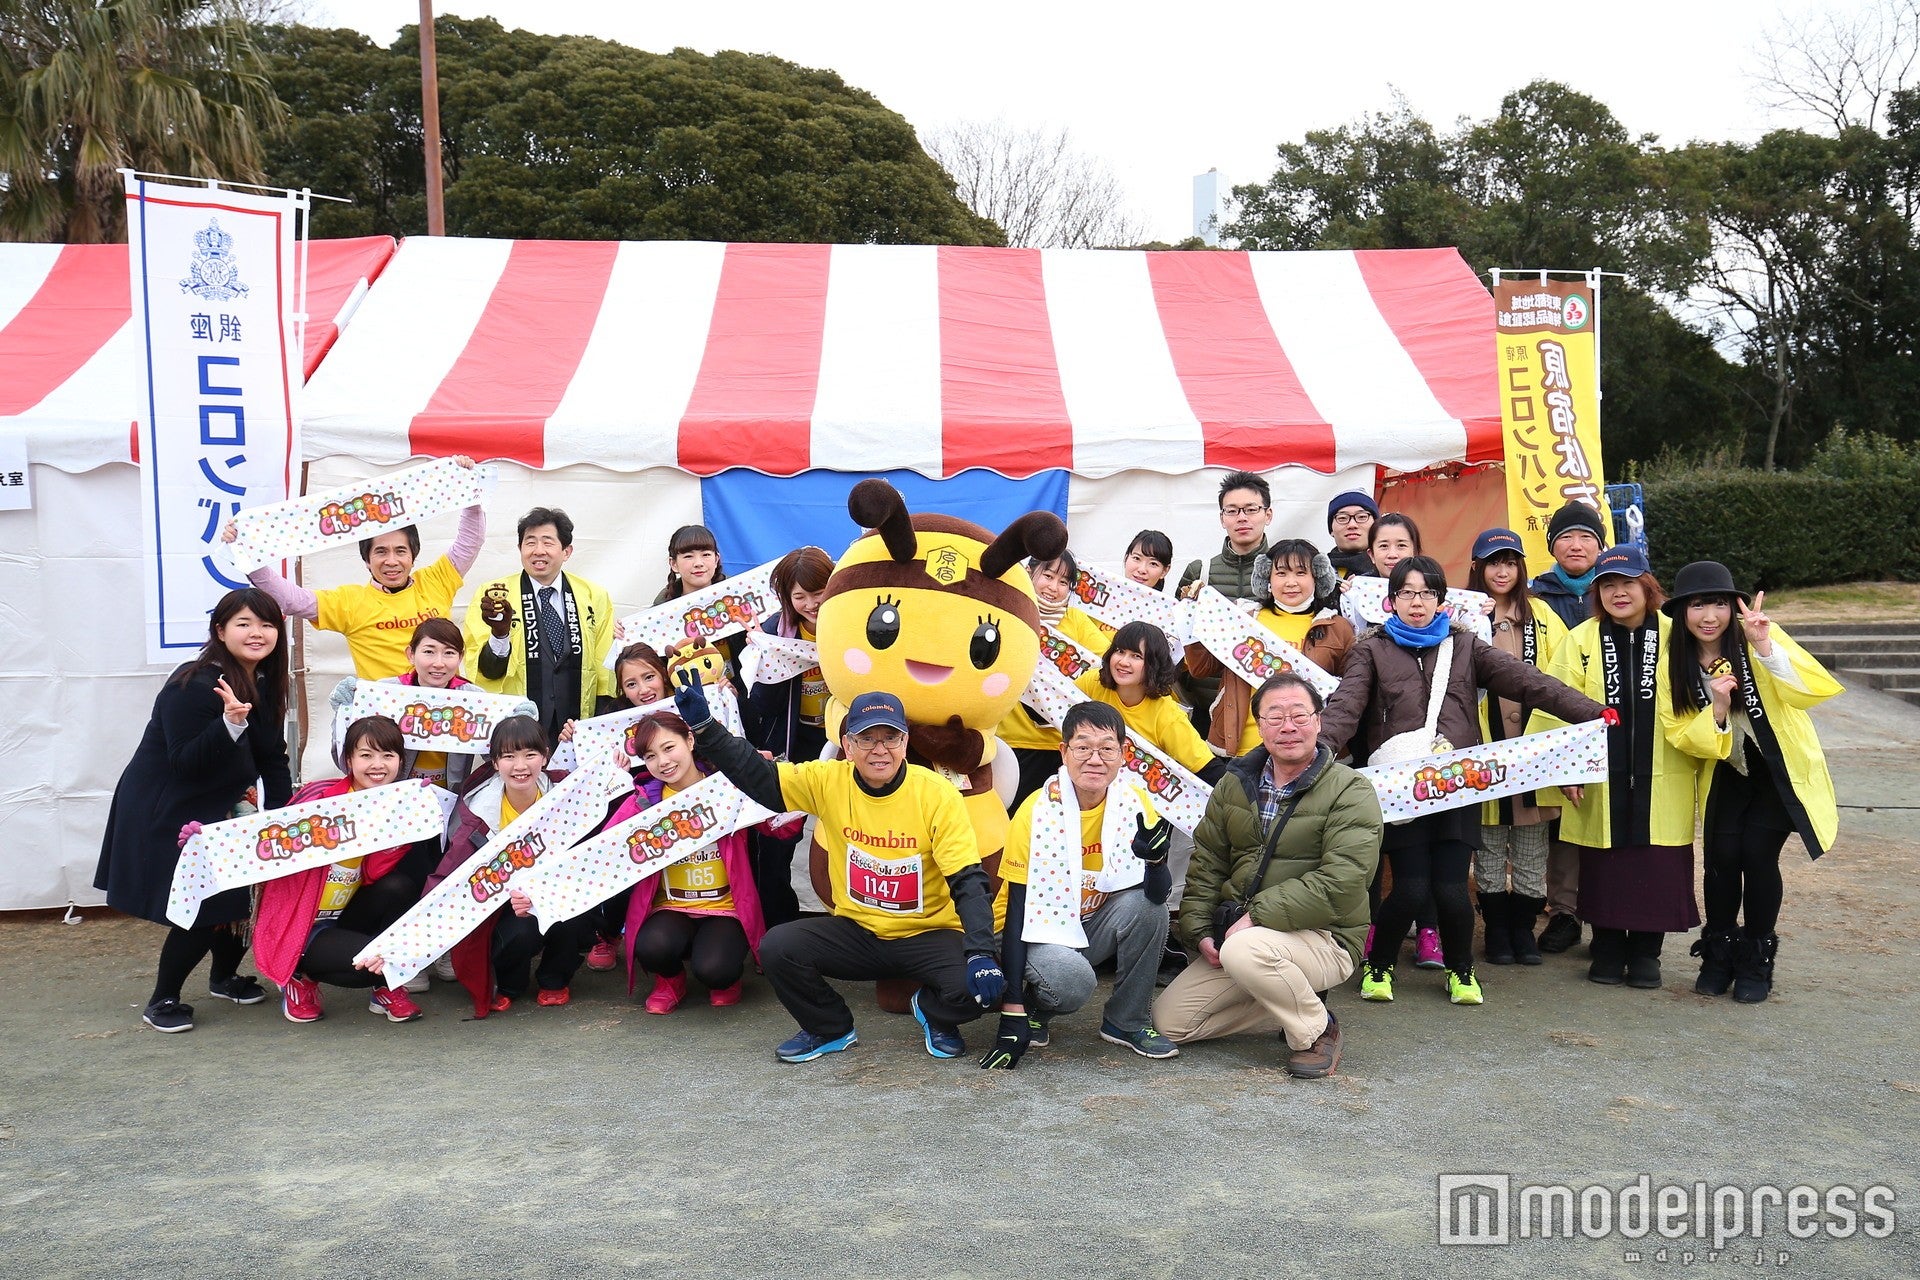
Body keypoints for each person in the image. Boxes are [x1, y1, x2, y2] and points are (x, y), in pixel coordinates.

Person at [672, 678, 1006, 1064]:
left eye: (891, 738)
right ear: (847, 746)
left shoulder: (937, 793)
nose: (879, 749)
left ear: (904, 743)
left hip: (926, 934)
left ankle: (935, 1013)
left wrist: (981, 953)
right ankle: (829, 1028)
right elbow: (760, 777)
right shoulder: (828, 780)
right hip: (857, 932)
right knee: (778, 947)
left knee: (984, 985)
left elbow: (967, 879)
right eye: (866, 739)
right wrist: (707, 730)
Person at [1320, 556, 1604, 1007]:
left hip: (1458, 784)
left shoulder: (1468, 646)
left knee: (1452, 890)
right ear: (1391, 601)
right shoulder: (1369, 650)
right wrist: (1319, 747)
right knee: (1410, 887)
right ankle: (1380, 965)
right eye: (1407, 593)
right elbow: (1346, 705)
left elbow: (1528, 681)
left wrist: (1591, 711)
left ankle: (1462, 971)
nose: (1417, 602)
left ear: (1441, 601)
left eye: (1427, 593)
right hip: (1402, 788)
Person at [1152, 673, 1382, 1079]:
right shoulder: (1234, 784)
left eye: (1299, 715)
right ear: (1259, 726)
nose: (1287, 726)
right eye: (1275, 717)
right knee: (1171, 1022)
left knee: (1245, 950)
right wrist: (1200, 931)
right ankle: (1291, 997)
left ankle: (1316, 1030)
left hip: (1325, 936)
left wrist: (1256, 917)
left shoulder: (1351, 789)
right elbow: (1208, 862)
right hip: (1247, 940)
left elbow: (1344, 879)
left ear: (1318, 721)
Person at [95, 587, 294, 1033]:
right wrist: (230, 723)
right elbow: (184, 761)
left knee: (245, 894)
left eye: (266, 624)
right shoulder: (192, 684)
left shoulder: (264, 680)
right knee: (204, 902)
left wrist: (281, 815)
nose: (257, 633)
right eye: (243, 623)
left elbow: (272, 757)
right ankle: (162, 999)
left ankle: (223, 978)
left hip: (225, 802)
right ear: (220, 631)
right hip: (167, 806)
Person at [1535, 546, 1722, 989]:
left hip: (1666, 775)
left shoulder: (1679, 635)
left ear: (1647, 586)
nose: (1619, 593)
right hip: (1600, 776)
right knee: (1604, 867)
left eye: (1628, 583)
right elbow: (1554, 704)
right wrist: (1566, 769)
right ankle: (1606, 947)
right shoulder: (1581, 639)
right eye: (1608, 585)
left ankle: (1646, 953)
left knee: (1658, 866)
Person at [1663, 562, 1840, 1003]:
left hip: (1776, 770)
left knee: (1758, 856)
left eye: (1719, 604)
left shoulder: (1759, 636)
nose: (1709, 616)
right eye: (1697, 605)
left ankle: (1757, 958)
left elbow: (1809, 691)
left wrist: (1764, 646)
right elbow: (1680, 732)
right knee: (1721, 859)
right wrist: (1718, 707)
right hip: (1726, 767)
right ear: (1682, 612)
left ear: (1733, 607)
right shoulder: (1674, 663)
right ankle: (1718, 952)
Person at [979, 702, 1179, 1067]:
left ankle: (1126, 1021)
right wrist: (1012, 1009)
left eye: (1106, 748)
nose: (1095, 759)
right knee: (1072, 981)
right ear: (1064, 752)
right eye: (1083, 747)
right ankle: (1036, 1005)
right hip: (1028, 930)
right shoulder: (1037, 810)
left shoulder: (1133, 803)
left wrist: (1155, 862)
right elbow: (1017, 910)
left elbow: (1156, 894)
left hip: (1086, 922)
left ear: (1123, 753)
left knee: (1150, 909)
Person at [226, 455, 484, 681]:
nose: (391, 561)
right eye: (380, 552)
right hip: (383, 713)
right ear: (366, 560)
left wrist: (469, 491)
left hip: (443, 709)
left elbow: (470, 542)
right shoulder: (350, 601)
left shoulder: (436, 581)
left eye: (400, 551)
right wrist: (249, 555)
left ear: (413, 555)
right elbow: (291, 601)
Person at [255, 715, 442, 1025]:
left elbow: (374, 875)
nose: (377, 765)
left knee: (400, 887)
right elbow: (265, 842)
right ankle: (299, 975)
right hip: (304, 923)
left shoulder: (396, 803)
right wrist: (206, 841)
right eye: (366, 755)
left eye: (387, 755)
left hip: (346, 915)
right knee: (374, 964)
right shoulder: (318, 799)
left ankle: (385, 989)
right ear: (349, 760)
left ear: (400, 761)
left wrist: (411, 817)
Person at [431, 716, 596, 1010]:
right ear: (495, 762)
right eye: (509, 756)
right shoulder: (477, 813)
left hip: (555, 892)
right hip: (501, 905)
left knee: (576, 911)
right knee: (521, 932)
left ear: (545, 756)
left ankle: (555, 977)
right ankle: (509, 982)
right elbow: (453, 878)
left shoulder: (566, 793)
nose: (520, 766)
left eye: (530, 754)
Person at [617, 712, 774, 1013]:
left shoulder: (728, 787)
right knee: (650, 947)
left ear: (690, 741)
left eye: (669, 748)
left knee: (716, 969)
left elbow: (781, 828)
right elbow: (606, 851)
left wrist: (766, 775)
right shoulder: (643, 801)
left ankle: (726, 979)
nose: (663, 762)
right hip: (670, 906)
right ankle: (669, 980)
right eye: (650, 756)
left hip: (725, 908)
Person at [1464, 529, 1569, 966]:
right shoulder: (1464, 612)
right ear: (1478, 568)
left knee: (1531, 847)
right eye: (1493, 562)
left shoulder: (1541, 614)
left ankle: (1523, 928)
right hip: (1482, 748)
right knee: (1488, 847)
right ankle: (1496, 930)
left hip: (1535, 749)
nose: (1502, 571)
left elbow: (1564, 673)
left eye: (1510, 562)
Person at [1528, 501, 1611, 955]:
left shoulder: (1617, 588)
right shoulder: (1536, 597)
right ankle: (1564, 912)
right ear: (1552, 546)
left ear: (1600, 545)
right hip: (1558, 717)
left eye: (1586, 537)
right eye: (1566, 537)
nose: (1576, 545)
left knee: (1612, 815)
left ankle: (1608, 915)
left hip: (1614, 720)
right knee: (1564, 818)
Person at [1185, 540, 1355, 757]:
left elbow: (1348, 695)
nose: (1291, 582)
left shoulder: (1338, 628)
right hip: (1241, 749)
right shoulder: (1244, 618)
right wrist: (1193, 620)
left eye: (1301, 573)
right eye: (1281, 573)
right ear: (1267, 578)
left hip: (1308, 752)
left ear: (1317, 577)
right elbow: (1201, 668)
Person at [327, 617, 533, 795]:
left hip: (451, 801)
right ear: (411, 654)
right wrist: (344, 713)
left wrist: (516, 727)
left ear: (460, 657)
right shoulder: (386, 692)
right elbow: (347, 757)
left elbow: (495, 755)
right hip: (391, 798)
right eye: (429, 651)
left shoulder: (474, 698)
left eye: (449, 653)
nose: (439, 663)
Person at [463, 506, 616, 747]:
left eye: (547, 542)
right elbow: (484, 670)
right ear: (520, 549)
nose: (538, 551)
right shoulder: (494, 595)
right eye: (530, 542)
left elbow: (604, 664)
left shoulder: (593, 595)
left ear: (566, 551)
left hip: (576, 725)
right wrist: (500, 634)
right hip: (516, 727)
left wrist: (599, 723)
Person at [746, 546, 835, 926]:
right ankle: (776, 925)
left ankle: (851, 924)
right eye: (800, 596)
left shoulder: (852, 625)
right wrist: (766, 658)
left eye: (818, 593)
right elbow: (761, 706)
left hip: (843, 744)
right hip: (791, 744)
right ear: (786, 597)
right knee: (777, 841)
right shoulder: (773, 631)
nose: (810, 604)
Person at [998, 550, 1110, 810]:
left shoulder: (1075, 620)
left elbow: (1105, 664)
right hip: (1010, 741)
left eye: (1063, 582)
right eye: (1048, 576)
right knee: (1008, 818)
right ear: (1029, 572)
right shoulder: (1009, 611)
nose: (1053, 587)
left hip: (1059, 744)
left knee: (1053, 818)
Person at [1177, 471, 1275, 732]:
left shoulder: (1284, 573)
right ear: (1222, 518)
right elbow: (1176, 637)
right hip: (1203, 706)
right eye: (1232, 511)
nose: (1242, 517)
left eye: (1251, 509)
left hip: (1265, 707)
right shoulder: (1199, 571)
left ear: (1268, 515)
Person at [653, 524, 725, 604]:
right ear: (674, 564)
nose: (698, 563)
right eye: (688, 556)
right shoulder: (662, 606)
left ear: (716, 560)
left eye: (706, 555)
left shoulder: (734, 593)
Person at [1325, 490, 1379, 580]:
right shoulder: (1315, 573)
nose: (1352, 525)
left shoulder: (1393, 571)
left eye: (1362, 517)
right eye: (1342, 518)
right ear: (1331, 530)